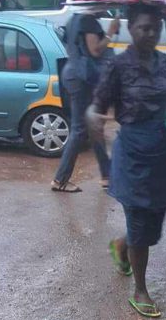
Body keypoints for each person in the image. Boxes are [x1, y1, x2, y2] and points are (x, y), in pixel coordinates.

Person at [88, 4, 166, 319]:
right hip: (134, 154)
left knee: (154, 223)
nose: (150, 33)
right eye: (143, 27)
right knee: (141, 223)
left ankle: (121, 245)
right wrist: (94, 120)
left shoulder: (165, 63)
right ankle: (140, 290)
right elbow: (96, 104)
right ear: (130, 28)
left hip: (162, 152)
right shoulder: (118, 66)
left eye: (155, 27)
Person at [51, 13, 119, 193]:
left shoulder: (73, 19)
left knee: (94, 126)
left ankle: (107, 176)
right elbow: (95, 50)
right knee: (80, 129)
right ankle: (60, 179)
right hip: (83, 78)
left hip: (74, 73)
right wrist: (110, 33)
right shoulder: (88, 20)